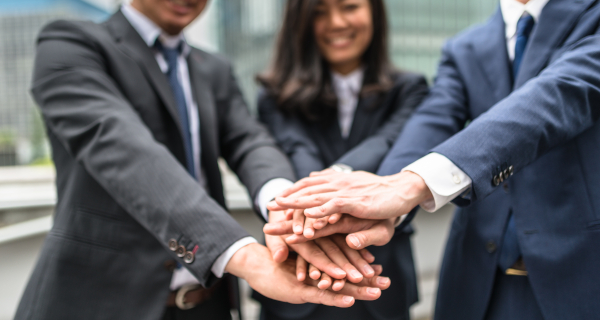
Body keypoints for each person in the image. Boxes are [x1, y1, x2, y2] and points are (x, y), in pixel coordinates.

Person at [14, 0, 388, 319]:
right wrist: (243, 256)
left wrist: (286, 206)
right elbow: (125, 151)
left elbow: (250, 142)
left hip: (207, 303)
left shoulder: (214, 69)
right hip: (101, 303)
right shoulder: (70, 45)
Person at [266, 0, 600, 319]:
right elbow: (431, 122)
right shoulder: (464, 47)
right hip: (479, 281)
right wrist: (389, 201)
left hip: (582, 273)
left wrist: (409, 185)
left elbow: (562, 91)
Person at [254, 0, 428, 319]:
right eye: (319, 11)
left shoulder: (410, 89)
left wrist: (336, 176)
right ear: (301, 21)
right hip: (295, 275)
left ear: (374, 12)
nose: (336, 22)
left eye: (349, 6)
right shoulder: (275, 96)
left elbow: (389, 142)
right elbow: (295, 148)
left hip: (380, 277)